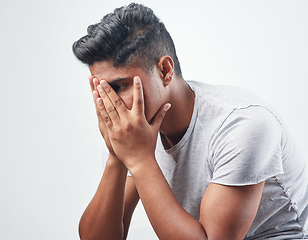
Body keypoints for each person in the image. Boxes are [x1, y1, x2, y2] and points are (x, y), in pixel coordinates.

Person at [72, 3, 308, 240]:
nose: (109, 102)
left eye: (119, 86)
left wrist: (139, 159)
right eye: (100, 90)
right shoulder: (134, 129)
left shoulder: (243, 123)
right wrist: (116, 155)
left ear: (165, 70)